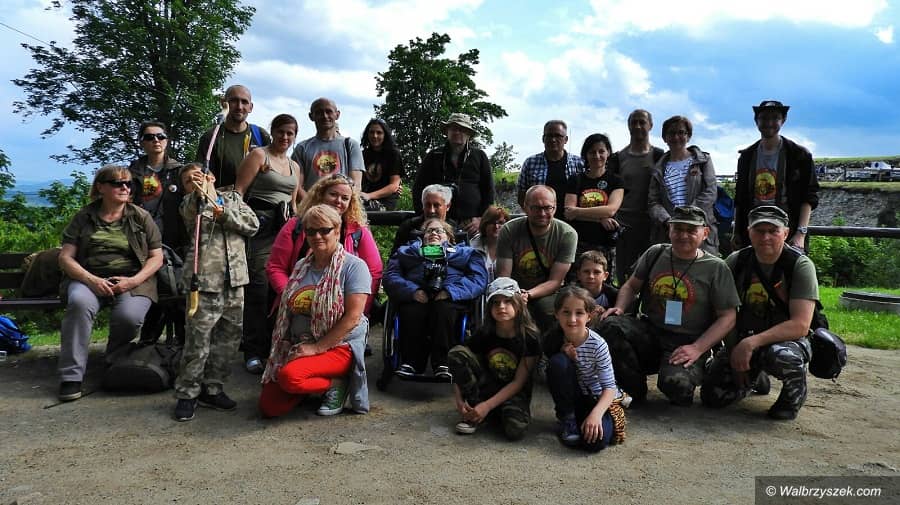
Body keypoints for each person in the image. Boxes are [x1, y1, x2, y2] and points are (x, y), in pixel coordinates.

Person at [599, 206, 739, 406]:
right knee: (611, 325)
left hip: (688, 340)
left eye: (691, 230)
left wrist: (697, 348)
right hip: (652, 331)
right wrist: (620, 308)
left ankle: (703, 366)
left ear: (705, 233)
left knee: (677, 387)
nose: (683, 235)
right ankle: (633, 391)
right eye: (678, 229)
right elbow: (631, 285)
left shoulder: (716, 268)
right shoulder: (656, 253)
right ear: (669, 230)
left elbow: (728, 317)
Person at [56, 165, 164, 402]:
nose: (125, 187)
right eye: (117, 183)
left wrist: (133, 281)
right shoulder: (84, 217)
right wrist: (91, 280)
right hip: (89, 277)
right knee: (79, 304)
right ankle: (71, 376)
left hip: (133, 279)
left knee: (129, 316)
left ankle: (115, 361)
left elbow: (157, 257)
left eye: (128, 184)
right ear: (101, 187)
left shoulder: (140, 217)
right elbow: (65, 257)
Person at [701, 206, 818, 420]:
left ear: (785, 233)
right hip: (744, 337)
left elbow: (800, 325)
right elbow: (723, 312)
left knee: (785, 357)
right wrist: (734, 350)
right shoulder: (736, 262)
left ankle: (792, 398)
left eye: (773, 231)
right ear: (749, 232)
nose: (766, 237)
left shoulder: (799, 265)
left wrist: (750, 344)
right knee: (712, 397)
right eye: (759, 231)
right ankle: (755, 377)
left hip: (786, 340)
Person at [258, 205, 372, 418]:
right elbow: (289, 310)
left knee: (290, 377)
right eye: (310, 231)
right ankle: (313, 383)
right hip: (300, 341)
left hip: (340, 345)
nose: (317, 236)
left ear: (337, 231)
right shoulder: (302, 265)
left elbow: (353, 318)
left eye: (324, 230)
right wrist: (286, 345)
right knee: (270, 406)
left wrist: (316, 348)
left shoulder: (354, 267)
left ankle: (336, 384)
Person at [173, 163, 259, 422]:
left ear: (211, 176)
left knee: (228, 339)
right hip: (204, 281)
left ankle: (213, 388)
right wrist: (200, 192)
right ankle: (188, 392)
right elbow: (192, 212)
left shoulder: (233, 199)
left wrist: (226, 215)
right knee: (197, 340)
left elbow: (252, 224)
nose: (196, 181)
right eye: (189, 180)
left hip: (235, 280)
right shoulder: (191, 203)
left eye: (200, 176)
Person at [234, 113, 301, 374]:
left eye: (290, 133)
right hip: (259, 228)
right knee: (259, 288)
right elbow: (239, 192)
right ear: (272, 132)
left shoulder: (295, 167)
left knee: (281, 288)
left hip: (285, 229)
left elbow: (293, 203)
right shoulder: (259, 156)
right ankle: (252, 350)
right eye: (281, 131)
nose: (285, 137)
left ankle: (274, 346)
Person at [268, 174, 382, 322]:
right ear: (321, 194)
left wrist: (357, 309)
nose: (338, 201)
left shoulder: (358, 231)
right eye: (333, 194)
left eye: (345, 198)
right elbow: (276, 267)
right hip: (296, 306)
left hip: (342, 309)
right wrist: (292, 297)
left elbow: (374, 271)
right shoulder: (296, 225)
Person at [383, 218, 488, 380]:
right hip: (416, 296)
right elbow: (391, 276)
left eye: (439, 230)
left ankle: (444, 362)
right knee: (412, 310)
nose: (434, 233)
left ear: (450, 238)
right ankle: (411, 362)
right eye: (429, 231)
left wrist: (451, 292)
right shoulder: (406, 252)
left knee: (444, 309)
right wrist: (413, 291)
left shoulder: (466, 253)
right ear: (422, 236)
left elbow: (478, 279)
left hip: (450, 297)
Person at [448, 277, 540, 439]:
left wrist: (487, 406)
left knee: (515, 430)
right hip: (486, 387)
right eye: (496, 302)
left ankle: (488, 411)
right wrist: (459, 400)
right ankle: (474, 408)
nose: (501, 307)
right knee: (457, 353)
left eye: (508, 301)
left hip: (514, 392)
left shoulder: (530, 337)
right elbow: (457, 364)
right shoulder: (484, 333)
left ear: (519, 303)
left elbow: (518, 382)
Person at [545, 285, 626, 451]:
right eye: (566, 312)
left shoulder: (598, 345)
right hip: (574, 397)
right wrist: (564, 357)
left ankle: (589, 420)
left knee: (595, 441)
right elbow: (548, 374)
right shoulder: (552, 338)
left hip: (596, 398)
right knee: (558, 363)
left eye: (579, 313)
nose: (572, 319)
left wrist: (596, 415)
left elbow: (609, 387)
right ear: (557, 314)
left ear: (589, 316)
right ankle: (568, 418)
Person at [128, 120, 187, 343]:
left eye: (160, 136)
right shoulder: (133, 172)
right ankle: (148, 342)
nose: (156, 140)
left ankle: (181, 341)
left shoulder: (179, 171)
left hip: (175, 239)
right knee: (153, 290)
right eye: (149, 137)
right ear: (142, 142)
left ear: (167, 140)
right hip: (144, 241)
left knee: (176, 289)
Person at [734, 100, 819, 251]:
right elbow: (740, 198)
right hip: (753, 226)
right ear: (756, 121)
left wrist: (801, 234)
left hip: (788, 228)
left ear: (783, 120)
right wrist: (737, 232)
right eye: (764, 118)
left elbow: (809, 196)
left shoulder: (799, 155)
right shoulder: (747, 156)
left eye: (775, 118)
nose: (769, 123)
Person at [496, 185, 577, 332]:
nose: (542, 213)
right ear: (525, 207)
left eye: (547, 208)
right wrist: (514, 295)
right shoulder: (508, 230)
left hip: (549, 292)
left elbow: (555, 281)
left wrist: (528, 294)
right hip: (513, 290)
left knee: (544, 308)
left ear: (555, 207)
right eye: (536, 208)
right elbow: (504, 276)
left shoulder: (567, 234)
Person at [647, 115, 719, 255]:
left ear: (688, 136)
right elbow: (653, 202)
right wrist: (668, 221)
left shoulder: (703, 161)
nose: (676, 137)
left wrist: (688, 216)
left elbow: (710, 192)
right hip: (669, 233)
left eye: (681, 132)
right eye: (671, 133)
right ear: (664, 138)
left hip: (700, 230)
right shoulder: (658, 169)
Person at [412, 113, 494, 235]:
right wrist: (424, 217)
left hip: (471, 224)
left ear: (468, 134)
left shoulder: (479, 156)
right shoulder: (434, 156)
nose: (457, 132)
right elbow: (418, 189)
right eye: (454, 129)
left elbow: (489, 191)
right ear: (447, 132)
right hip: (438, 222)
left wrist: (482, 219)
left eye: (462, 129)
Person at [611, 109, 665, 285]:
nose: (638, 126)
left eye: (642, 122)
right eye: (634, 122)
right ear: (628, 126)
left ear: (651, 125)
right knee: (624, 275)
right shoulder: (618, 158)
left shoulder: (659, 156)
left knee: (653, 274)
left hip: (652, 226)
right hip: (625, 226)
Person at [563, 133, 625, 276]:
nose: (597, 156)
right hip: (578, 243)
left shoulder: (616, 181)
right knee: (576, 282)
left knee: (602, 283)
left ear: (608, 153)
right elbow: (568, 212)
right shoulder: (575, 179)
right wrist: (600, 218)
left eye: (601, 151)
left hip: (605, 244)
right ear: (585, 155)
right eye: (592, 152)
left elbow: (611, 210)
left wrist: (578, 211)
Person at [195, 85, 271, 188]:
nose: (239, 107)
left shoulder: (261, 135)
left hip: (255, 197)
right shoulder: (211, 137)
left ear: (251, 107)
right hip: (221, 196)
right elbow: (202, 174)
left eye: (244, 102)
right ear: (223, 103)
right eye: (234, 101)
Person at [292, 97, 364, 200]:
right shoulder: (302, 148)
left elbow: (356, 185)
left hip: (341, 206)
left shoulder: (350, 145)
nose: (325, 116)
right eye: (319, 112)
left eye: (329, 111)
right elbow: (297, 185)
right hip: (312, 207)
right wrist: (312, 204)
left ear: (337, 114)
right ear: (311, 116)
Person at [516, 120, 584, 219]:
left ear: (566, 139)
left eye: (558, 136)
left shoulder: (579, 163)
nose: (553, 139)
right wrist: (534, 217)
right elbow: (522, 196)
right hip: (541, 221)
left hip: (573, 221)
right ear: (543, 139)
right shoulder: (530, 163)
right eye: (549, 136)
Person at [391, 184, 459, 253]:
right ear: (422, 205)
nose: (432, 210)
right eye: (427, 205)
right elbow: (395, 257)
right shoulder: (408, 227)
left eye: (436, 205)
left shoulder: (455, 230)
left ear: (447, 206)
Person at [359, 118, 402, 211]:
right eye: (371, 132)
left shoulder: (393, 154)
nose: (375, 136)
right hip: (364, 199)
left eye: (379, 133)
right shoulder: (362, 154)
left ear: (385, 135)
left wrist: (369, 196)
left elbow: (394, 185)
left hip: (385, 201)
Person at [469, 205, 509, 282]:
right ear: (485, 224)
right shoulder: (472, 245)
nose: (496, 226)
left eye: (500, 223)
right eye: (492, 223)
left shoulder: (512, 245)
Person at [574, 250, 618, 319]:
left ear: (605, 276)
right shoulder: (571, 294)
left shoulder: (614, 295)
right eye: (586, 271)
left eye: (596, 272)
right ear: (579, 274)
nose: (591, 276)